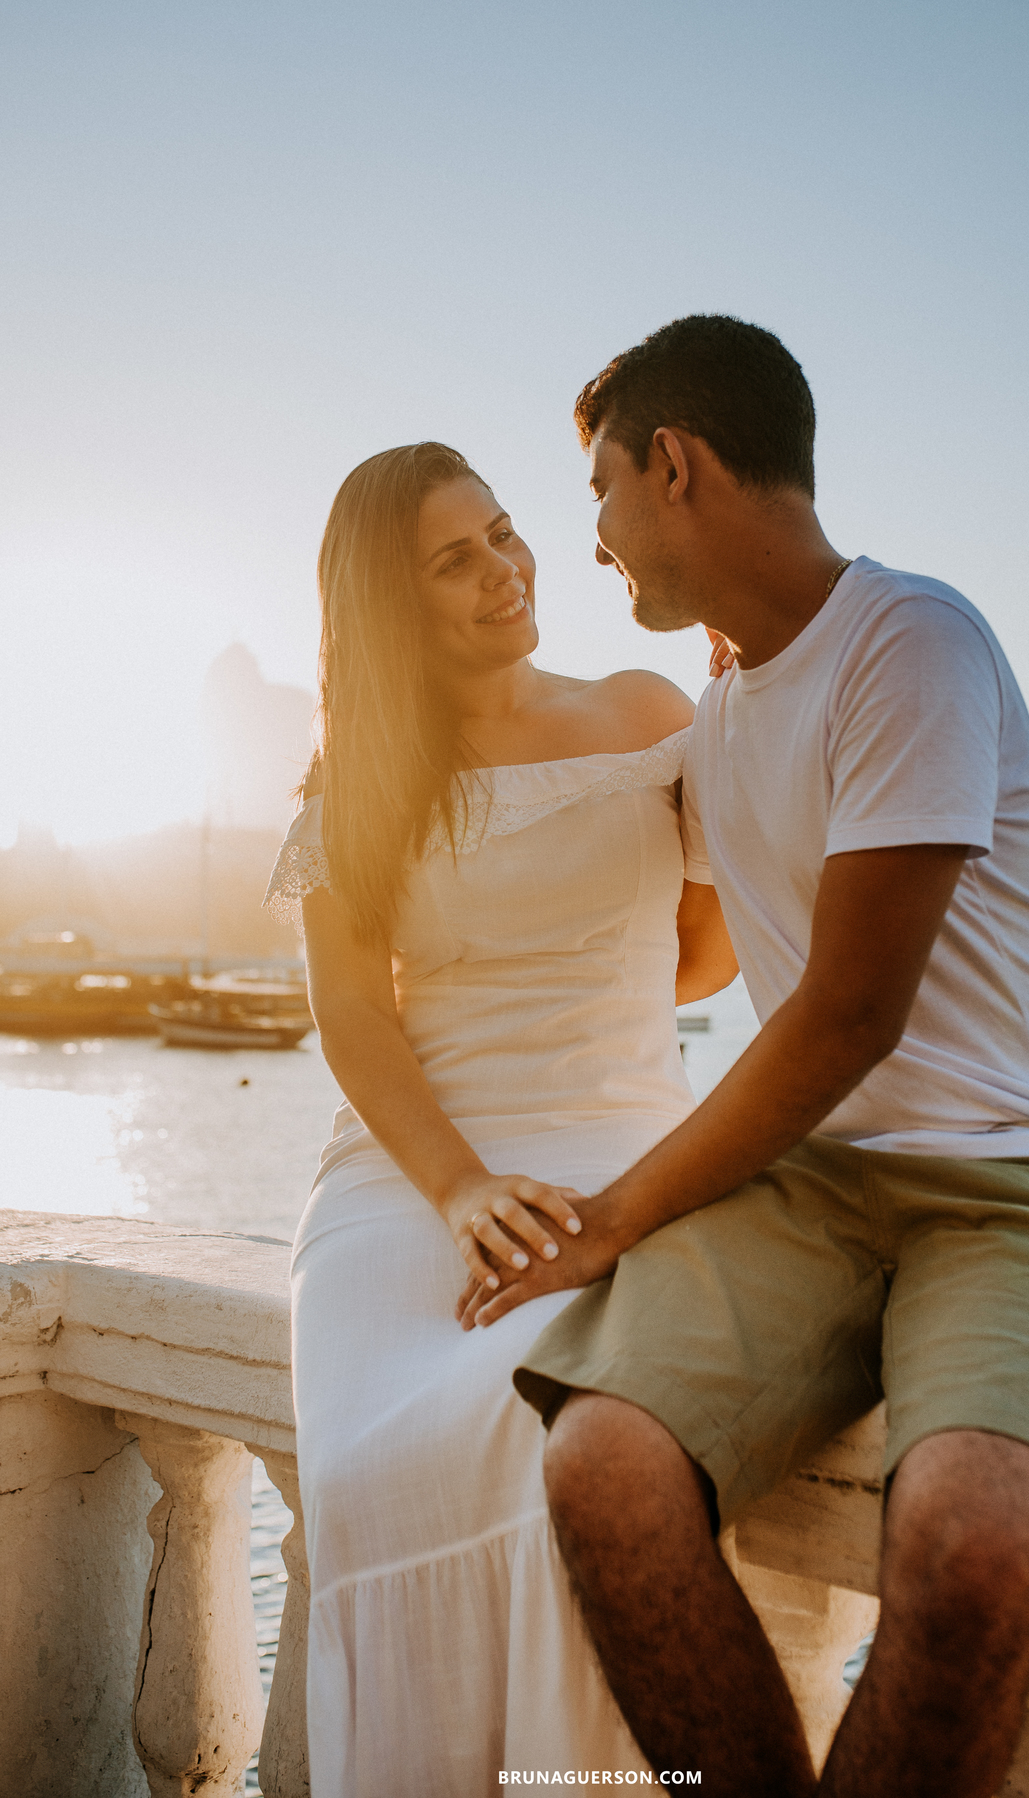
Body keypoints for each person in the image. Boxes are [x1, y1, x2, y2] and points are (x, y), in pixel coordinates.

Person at [452, 316, 1029, 1798]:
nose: (592, 542)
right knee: (604, 1465)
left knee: (977, 1537)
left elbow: (852, 1012)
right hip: (819, 1190)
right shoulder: (722, 713)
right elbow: (688, 947)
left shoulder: (914, 640)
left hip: (1027, 1185)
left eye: (597, 493)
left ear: (674, 465)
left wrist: (617, 1211)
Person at [263, 440, 738, 1795]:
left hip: (624, 1156)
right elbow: (352, 1015)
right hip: (413, 1177)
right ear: (391, 605)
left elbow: (702, 951)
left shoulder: (652, 712)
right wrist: (462, 1184)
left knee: (567, 1440)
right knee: (398, 1465)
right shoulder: (349, 785)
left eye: (507, 533)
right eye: (453, 561)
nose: (504, 572)